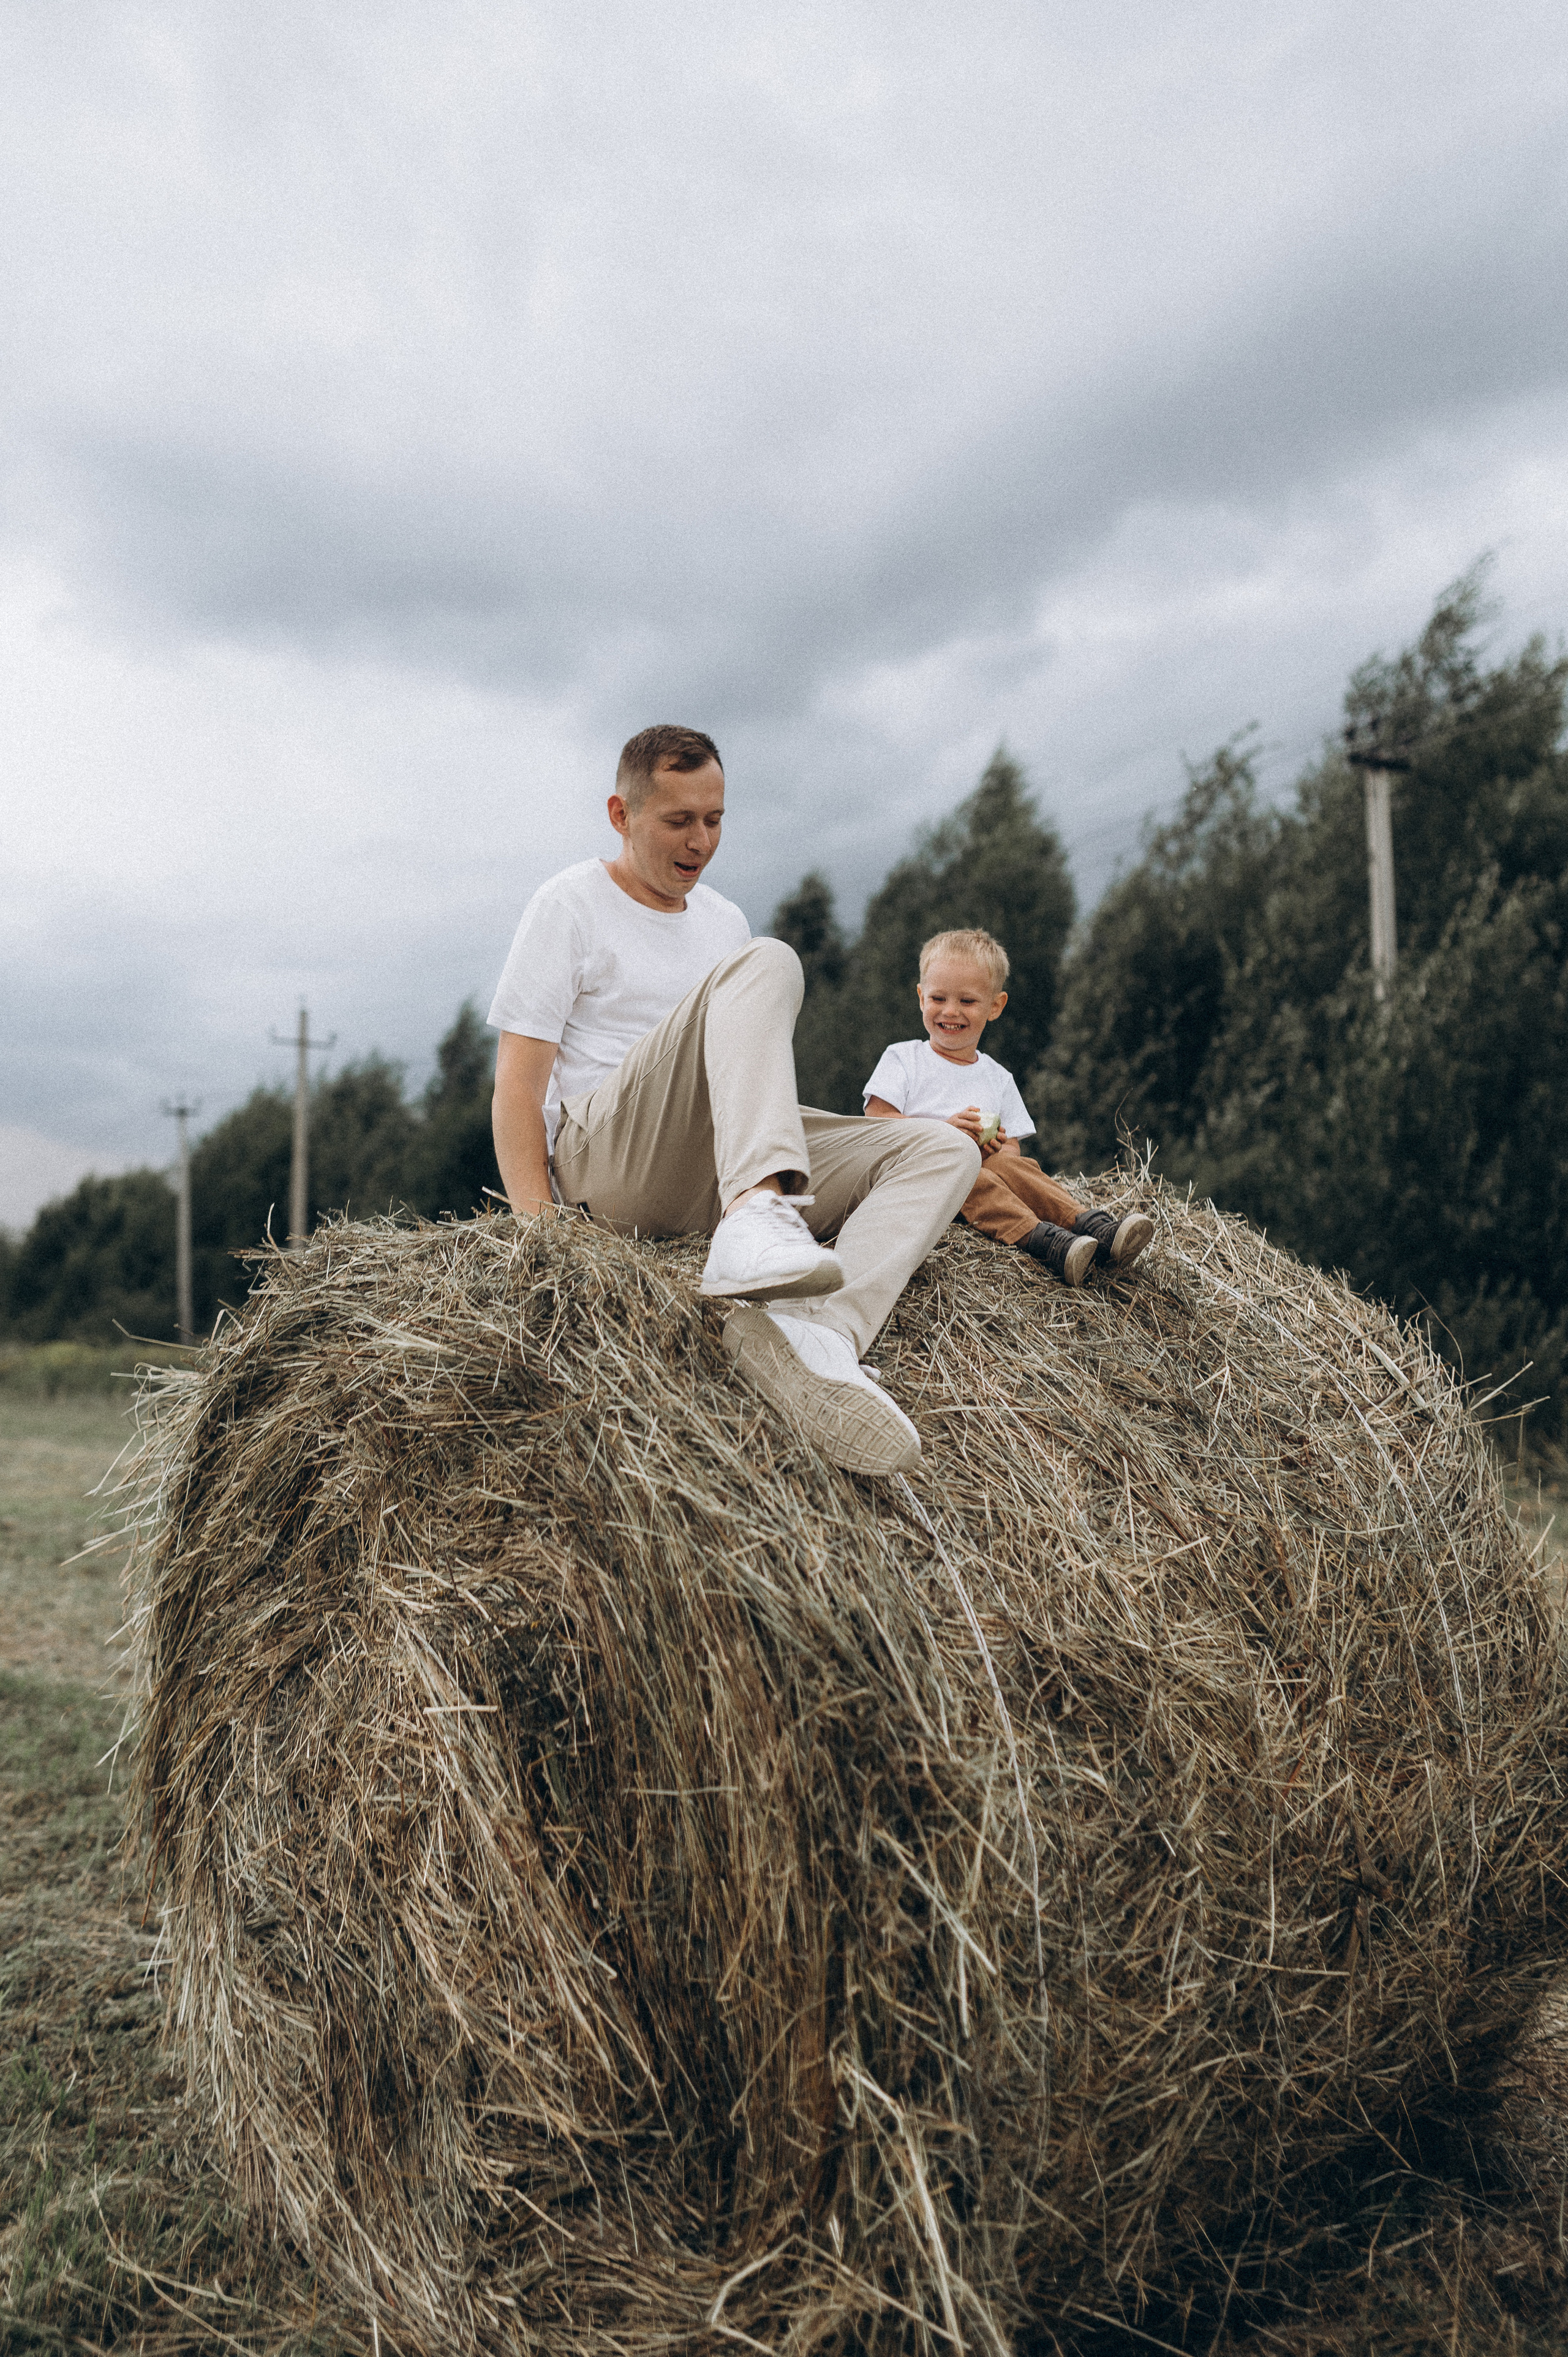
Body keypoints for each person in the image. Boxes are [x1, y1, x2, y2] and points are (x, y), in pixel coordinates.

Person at [488, 725, 980, 1478]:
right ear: (621, 815)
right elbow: (518, 1086)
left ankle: (819, 1337)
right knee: (770, 961)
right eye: (677, 821)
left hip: (709, 1167)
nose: (700, 841)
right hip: (609, 1163)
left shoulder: (721, 920)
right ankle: (756, 1218)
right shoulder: (569, 905)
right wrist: (538, 1234)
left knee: (942, 1148)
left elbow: (745, 1076)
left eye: (714, 820)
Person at [862, 928, 1153, 1287]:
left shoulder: (997, 1077)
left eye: (967, 1002)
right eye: (938, 998)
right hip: (920, 1177)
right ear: (921, 997)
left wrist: (995, 1145)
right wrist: (942, 1133)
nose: (950, 1011)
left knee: (1013, 1166)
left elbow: (1013, 1152)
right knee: (966, 1174)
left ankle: (1090, 1225)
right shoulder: (904, 1058)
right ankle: (1045, 1243)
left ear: (995, 1006)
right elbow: (876, 1121)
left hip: (979, 1172)